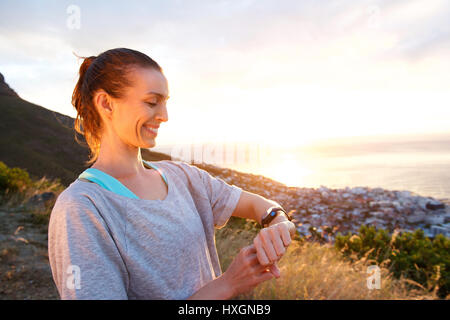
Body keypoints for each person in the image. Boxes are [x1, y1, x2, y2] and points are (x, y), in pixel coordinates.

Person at [48, 48, 296, 300]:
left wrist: (276, 222)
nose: (164, 116)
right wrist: (227, 285)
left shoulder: (183, 177)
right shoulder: (81, 207)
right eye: (151, 102)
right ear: (106, 104)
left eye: (165, 102)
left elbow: (259, 205)